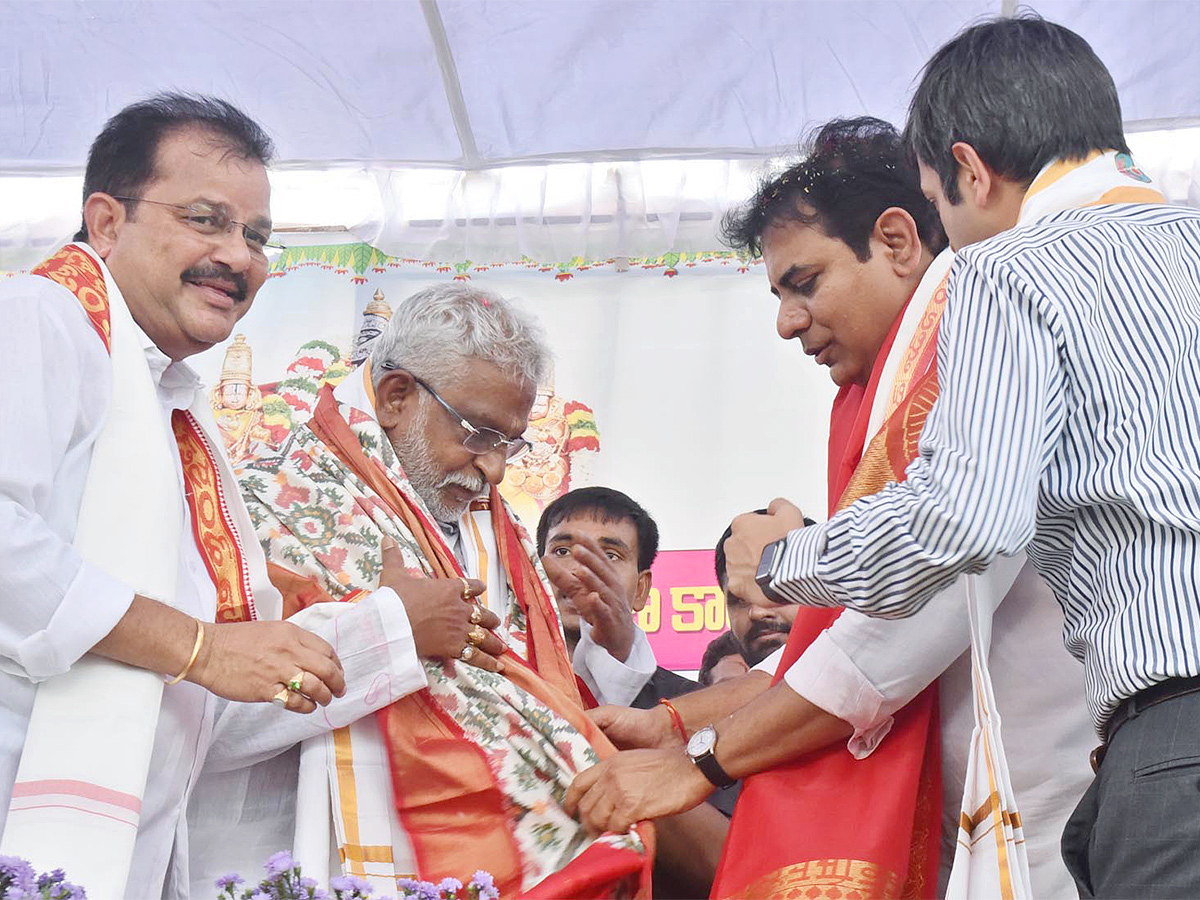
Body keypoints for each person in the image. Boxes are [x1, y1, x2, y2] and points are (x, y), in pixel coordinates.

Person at [718, 17, 1200, 899]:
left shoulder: (1008, 269)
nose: (949, 247)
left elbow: (964, 517)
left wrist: (780, 565)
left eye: (942, 205)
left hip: (1175, 743)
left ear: (971, 171)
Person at [567, 116, 1093, 898]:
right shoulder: (892, 392)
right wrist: (677, 721)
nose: (785, 323)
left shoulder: (975, 361)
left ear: (896, 241)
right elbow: (823, 653)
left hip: (1045, 819)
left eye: (804, 284)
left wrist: (694, 761)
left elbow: (887, 643)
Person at [0, 94, 354, 898]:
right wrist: (200, 645)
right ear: (106, 221)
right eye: (207, 220)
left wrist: (365, 632)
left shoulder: (171, 406)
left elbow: (218, 689)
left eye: (257, 237)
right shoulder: (35, 320)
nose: (239, 255)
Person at [202, 283, 652, 898]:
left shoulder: (497, 529)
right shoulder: (261, 508)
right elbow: (209, 724)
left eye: (510, 444)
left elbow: (526, 712)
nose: (494, 469)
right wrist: (389, 631)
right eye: (479, 434)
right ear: (396, 397)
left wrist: (610, 650)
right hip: (313, 862)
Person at [537, 486, 697, 707]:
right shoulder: (496, 681)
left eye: (610, 556)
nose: (581, 571)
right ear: (532, 570)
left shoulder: (688, 705)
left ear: (641, 589)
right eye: (563, 551)